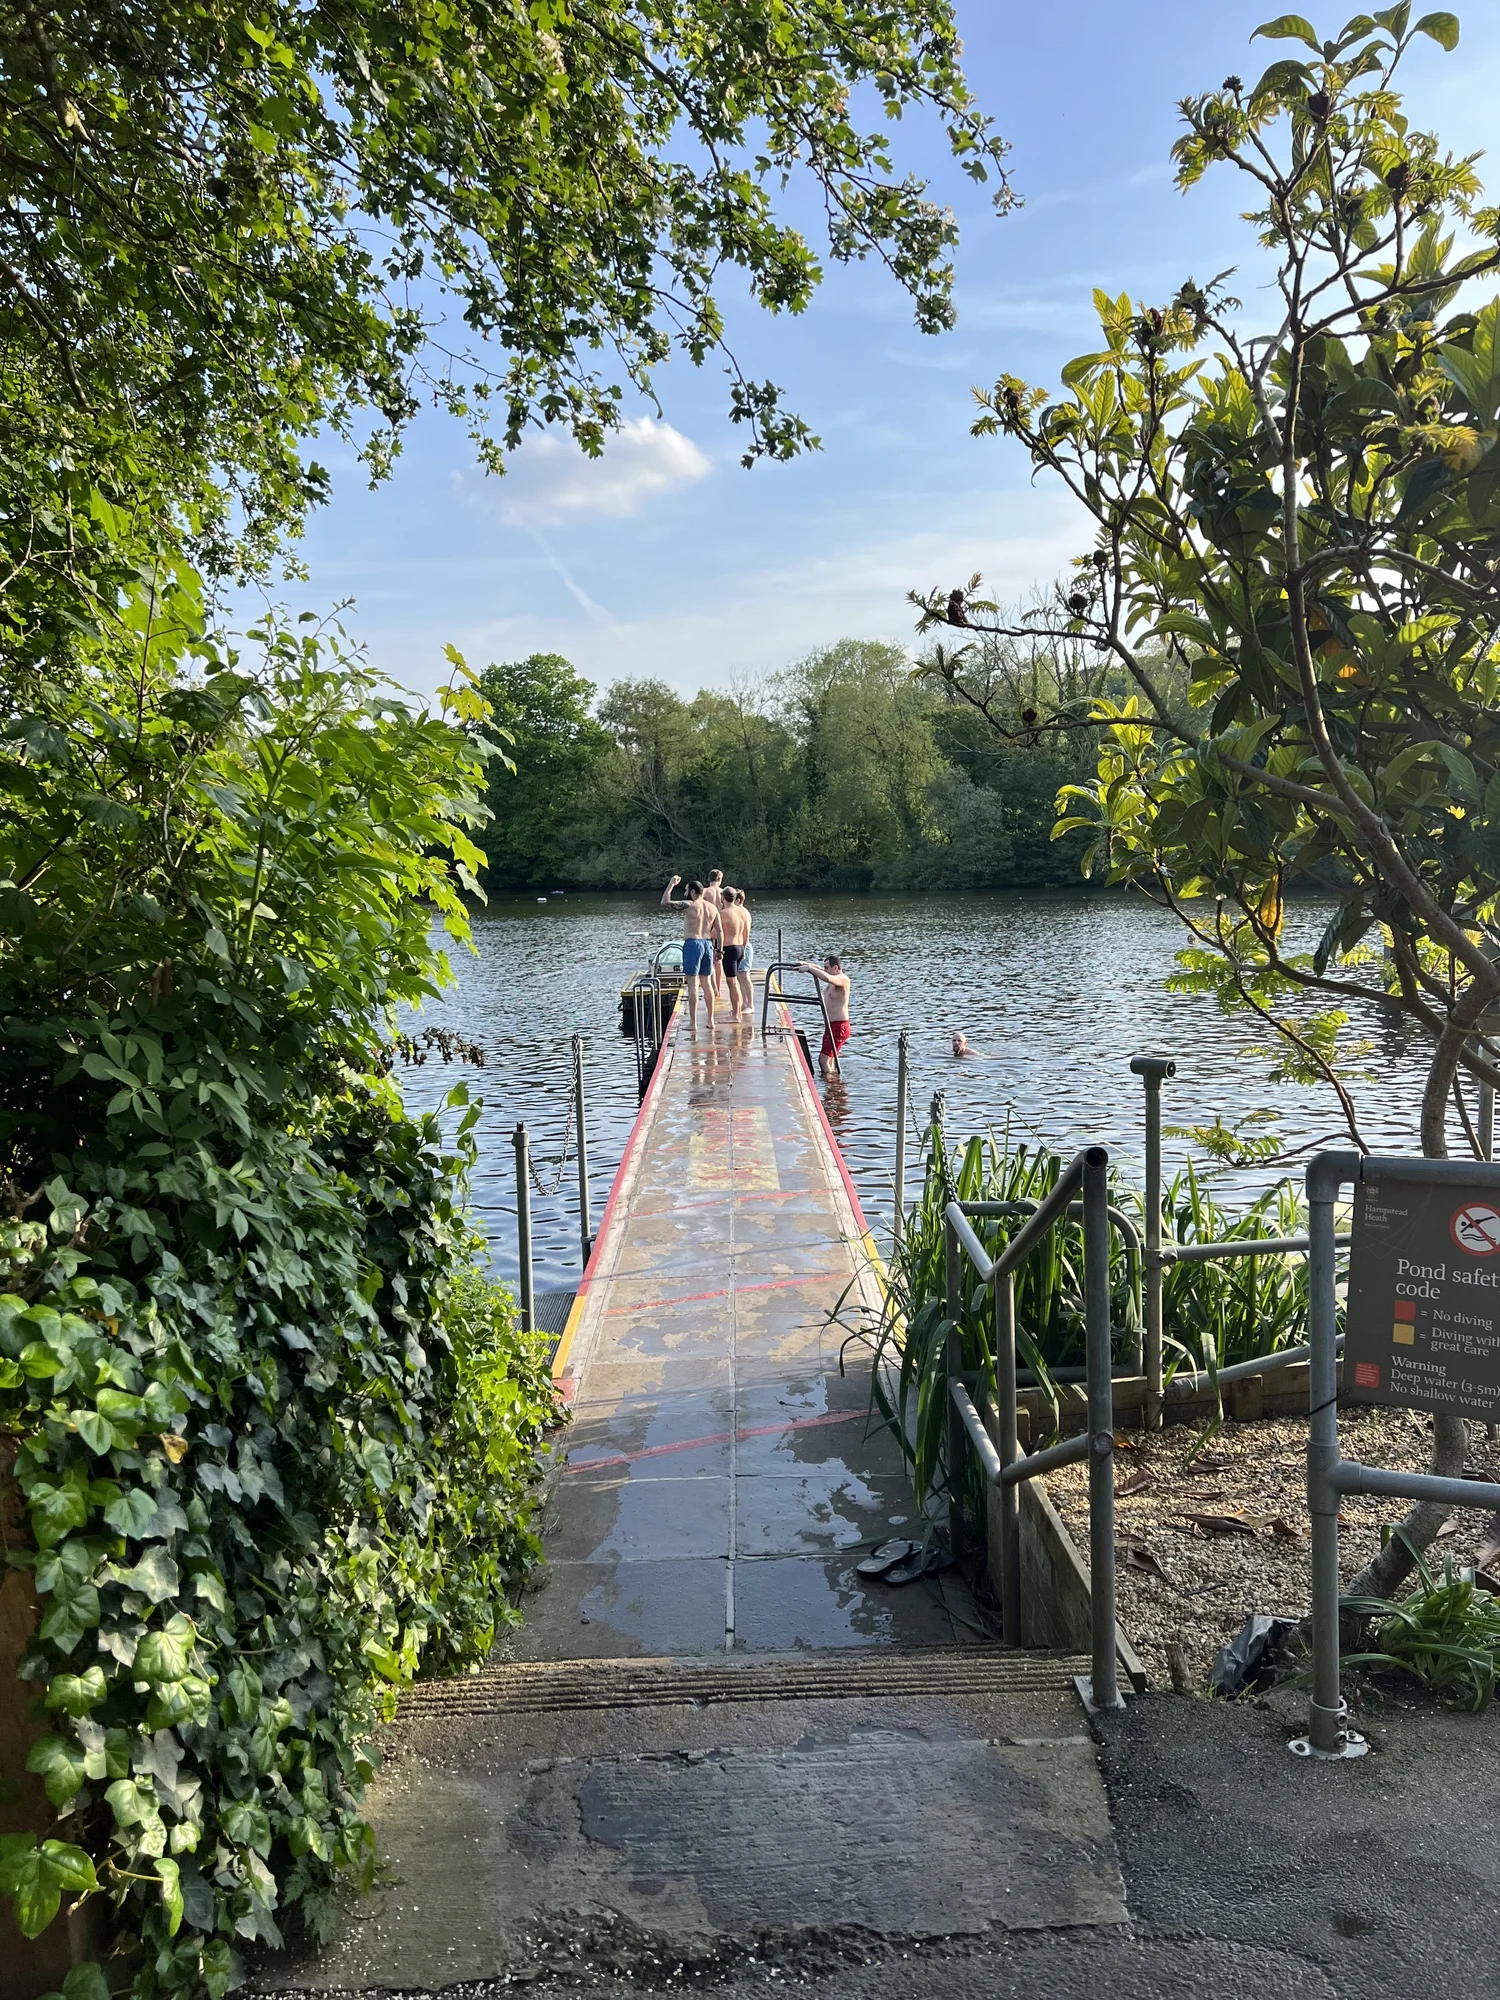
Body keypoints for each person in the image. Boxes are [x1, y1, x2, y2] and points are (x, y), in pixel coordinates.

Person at [661, 874, 722, 1030]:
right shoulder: (713, 908)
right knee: (707, 984)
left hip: (693, 944)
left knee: (693, 985)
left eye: (687, 890)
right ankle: (711, 1021)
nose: (685, 893)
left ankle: (693, 1023)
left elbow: (665, 902)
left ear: (694, 892)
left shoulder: (689, 905)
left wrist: (671, 884)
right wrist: (719, 950)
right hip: (708, 944)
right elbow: (720, 931)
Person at [798, 954, 850, 1075]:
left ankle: (831, 1088)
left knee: (823, 1060)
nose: (824, 969)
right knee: (829, 1060)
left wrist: (810, 969)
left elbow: (827, 978)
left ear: (835, 968)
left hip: (839, 1026)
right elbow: (822, 971)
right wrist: (807, 965)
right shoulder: (832, 975)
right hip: (830, 1025)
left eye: (827, 967)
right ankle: (834, 1083)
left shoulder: (842, 979)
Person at [719, 888, 754, 1021]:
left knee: (732, 981)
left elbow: (717, 933)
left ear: (723, 898)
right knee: (736, 981)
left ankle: (736, 1014)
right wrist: (744, 949)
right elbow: (746, 933)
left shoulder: (723, 913)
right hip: (741, 947)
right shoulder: (742, 912)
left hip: (730, 948)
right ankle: (738, 1010)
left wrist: (718, 950)